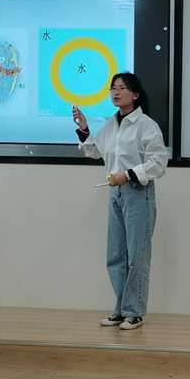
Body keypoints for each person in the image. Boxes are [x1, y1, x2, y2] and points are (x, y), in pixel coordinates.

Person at [72, 72, 168, 330]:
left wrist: (128, 174)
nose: (115, 92)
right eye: (113, 88)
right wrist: (84, 128)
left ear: (135, 94)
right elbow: (95, 151)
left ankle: (134, 312)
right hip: (115, 193)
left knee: (137, 256)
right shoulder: (111, 125)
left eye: (122, 88)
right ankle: (122, 309)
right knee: (115, 255)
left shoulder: (146, 125)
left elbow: (159, 162)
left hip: (138, 191)